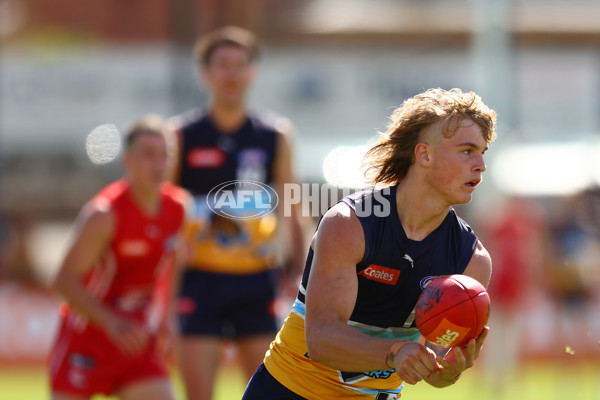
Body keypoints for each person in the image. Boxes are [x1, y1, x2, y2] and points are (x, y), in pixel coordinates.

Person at [242, 88, 497, 400]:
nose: (481, 164)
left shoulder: (472, 261)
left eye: (483, 151)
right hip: (289, 390)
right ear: (424, 154)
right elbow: (321, 339)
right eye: (468, 150)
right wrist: (394, 352)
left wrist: (447, 371)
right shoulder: (349, 224)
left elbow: (435, 365)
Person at [167, 26, 306, 400]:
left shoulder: (274, 133)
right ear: (205, 74)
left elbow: (292, 202)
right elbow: (164, 211)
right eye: (222, 65)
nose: (231, 74)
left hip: (256, 278)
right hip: (199, 278)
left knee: (267, 393)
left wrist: (300, 268)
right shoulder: (180, 135)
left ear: (252, 72)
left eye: (240, 65)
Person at [49, 115, 190, 400]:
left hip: (136, 340)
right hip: (88, 337)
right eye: (148, 155)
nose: (158, 164)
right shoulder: (104, 215)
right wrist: (111, 322)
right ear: (127, 159)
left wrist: (167, 319)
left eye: (165, 155)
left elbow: (174, 263)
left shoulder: (179, 208)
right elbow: (63, 280)